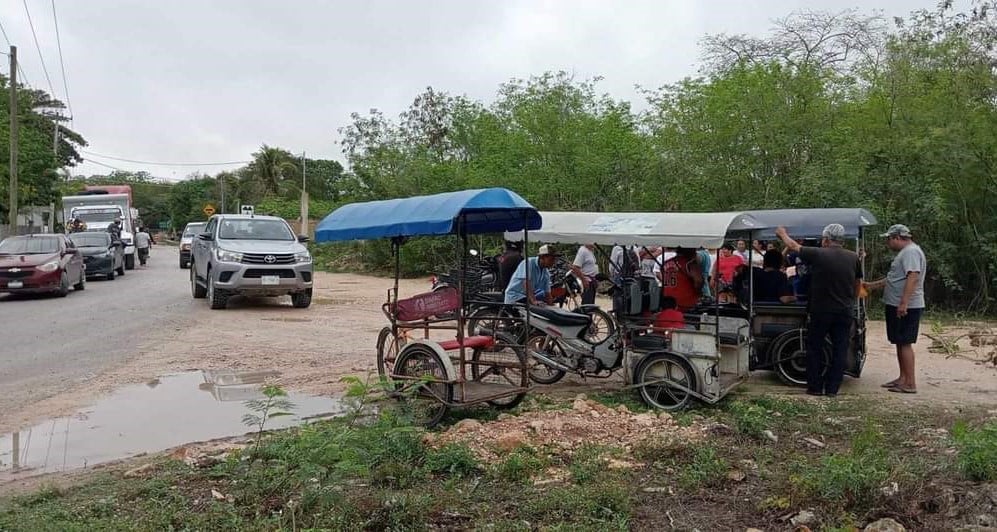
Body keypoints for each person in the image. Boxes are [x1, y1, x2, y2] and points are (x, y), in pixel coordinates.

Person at [776, 224, 862, 397]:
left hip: (821, 310)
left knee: (815, 347)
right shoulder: (853, 257)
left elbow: (794, 246)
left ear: (826, 240)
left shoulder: (818, 254)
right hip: (844, 310)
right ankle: (832, 389)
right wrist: (851, 299)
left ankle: (815, 387)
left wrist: (782, 233)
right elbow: (858, 282)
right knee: (840, 349)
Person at [862, 224, 926, 394]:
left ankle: (910, 383)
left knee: (905, 342)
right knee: (899, 341)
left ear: (897, 238)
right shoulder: (905, 254)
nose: (887, 243)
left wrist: (904, 303)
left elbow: (913, 276)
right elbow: (894, 279)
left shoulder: (911, 252)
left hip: (906, 305)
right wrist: (871, 286)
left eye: (889, 239)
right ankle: (902, 378)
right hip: (897, 303)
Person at [661, 247, 704, 312]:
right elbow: (698, 281)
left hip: (667, 301)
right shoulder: (690, 263)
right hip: (685, 302)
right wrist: (699, 292)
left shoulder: (666, 262)